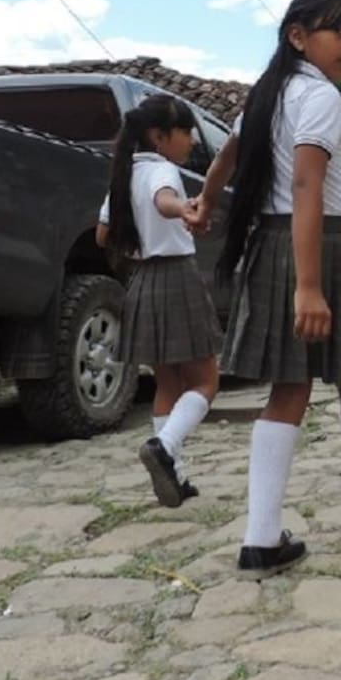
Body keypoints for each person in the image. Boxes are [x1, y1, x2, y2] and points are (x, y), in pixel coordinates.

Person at [192, 0, 341, 579]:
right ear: (298, 36)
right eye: (339, 32)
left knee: (300, 386)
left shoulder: (269, 96)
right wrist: (309, 286)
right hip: (326, 247)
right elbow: (306, 186)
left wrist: (204, 202)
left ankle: (266, 535)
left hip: (275, 244)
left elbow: (227, 157)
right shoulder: (319, 99)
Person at [96, 95, 220, 508]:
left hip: (142, 279)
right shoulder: (162, 171)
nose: (190, 141)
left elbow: (102, 235)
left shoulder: (123, 174)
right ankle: (164, 446)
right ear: (159, 136)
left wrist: (145, 235)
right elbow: (163, 200)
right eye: (185, 132)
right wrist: (182, 209)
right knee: (206, 380)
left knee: (168, 381)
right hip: (176, 277)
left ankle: (176, 477)